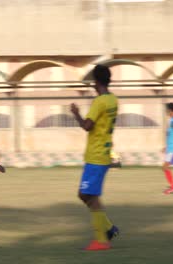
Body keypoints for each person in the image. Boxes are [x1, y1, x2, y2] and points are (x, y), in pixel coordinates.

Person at [70, 65, 119, 251]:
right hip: (103, 154)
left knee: (90, 196)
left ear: (95, 81)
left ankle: (102, 240)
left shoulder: (99, 102)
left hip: (96, 156)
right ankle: (108, 228)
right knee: (86, 195)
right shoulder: (113, 100)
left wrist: (75, 114)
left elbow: (87, 126)